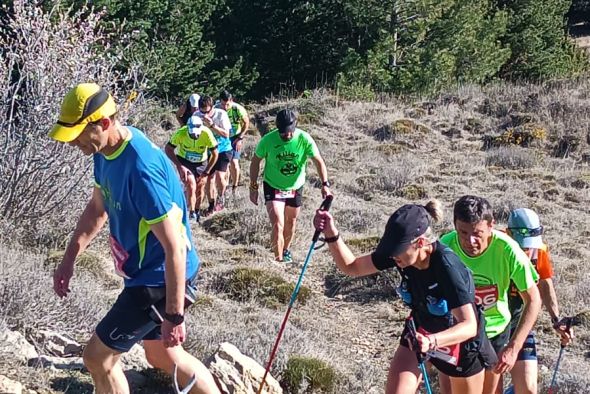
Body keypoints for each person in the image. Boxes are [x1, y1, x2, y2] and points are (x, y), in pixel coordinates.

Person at [49, 83, 219, 394]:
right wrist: (69, 259)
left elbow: (175, 247)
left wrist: (174, 314)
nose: (73, 143)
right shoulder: (106, 150)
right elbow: (98, 207)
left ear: (103, 123)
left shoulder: (141, 170)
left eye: (77, 135)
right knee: (161, 354)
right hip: (148, 273)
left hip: (158, 280)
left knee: (98, 358)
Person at [313, 200, 497, 394]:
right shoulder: (399, 255)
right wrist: (331, 234)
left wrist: (432, 341)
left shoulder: (447, 267)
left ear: (420, 243)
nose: (393, 256)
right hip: (420, 333)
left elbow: (469, 326)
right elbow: (352, 267)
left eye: (398, 250)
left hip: (460, 348)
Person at [439, 195, 541, 394]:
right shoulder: (446, 246)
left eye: (478, 233)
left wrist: (513, 347)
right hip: (457, 329)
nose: (470, 241)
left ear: (491, 225)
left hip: (494, 331)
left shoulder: (507, 250)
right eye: (463, 232)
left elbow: (533, 299)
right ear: (454, 226)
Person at [499, 208, 574, 394]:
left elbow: (545, 283)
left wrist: (557, 320)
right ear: (508, 233)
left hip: (520, 324)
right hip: (491, 327)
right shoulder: (494, 245)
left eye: (529, 245)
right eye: (522, 245)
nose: (526, 250)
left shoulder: (538, 250)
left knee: (528, 390)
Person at [249, 109, 331, 263]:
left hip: (295, 186)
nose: (287, 135)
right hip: (273, 185)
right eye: (283, 133)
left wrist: (325, 184)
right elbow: (255, 162)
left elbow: (318, 161)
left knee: (290, 221)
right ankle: (278, 259)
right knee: (277, 223)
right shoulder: (268, 140)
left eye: (290, 132)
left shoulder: (304, 138)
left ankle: (285, 249)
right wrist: (253, 186)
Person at [165, 115, 219, 222]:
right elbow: (168, 149)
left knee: (200, 187)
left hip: (201, 162)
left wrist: (207, 172)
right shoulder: (181, 132)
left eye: (197, 135)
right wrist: (179, 165)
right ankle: (191, 212)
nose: (194, 136)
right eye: (192, 134)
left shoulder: (207, 133)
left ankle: (197, 210)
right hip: (185, 161)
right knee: (191, 184)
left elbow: (215, 153)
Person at [196, 95, 232, 216]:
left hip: (223, 148)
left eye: (207, 111)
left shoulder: (221, 114)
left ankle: (222, 198)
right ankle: (211, 204)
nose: (205, 114)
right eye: (202, 111)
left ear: (212, 107)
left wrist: (212, 125)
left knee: (220, 177)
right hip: (207, 151)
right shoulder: (196, 115)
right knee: (208, 178)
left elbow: (226, 134)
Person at [217, 90, 249, 195]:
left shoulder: (237, 109)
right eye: (223, 104)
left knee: (234, 163)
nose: (225, 107)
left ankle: (235, 187)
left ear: (231, 101)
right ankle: (224, 187)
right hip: (222, 137)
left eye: (227, 104)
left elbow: (246, 123)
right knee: (225, 165)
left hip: (235, 136)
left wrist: (240, 138)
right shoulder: (216, 108)